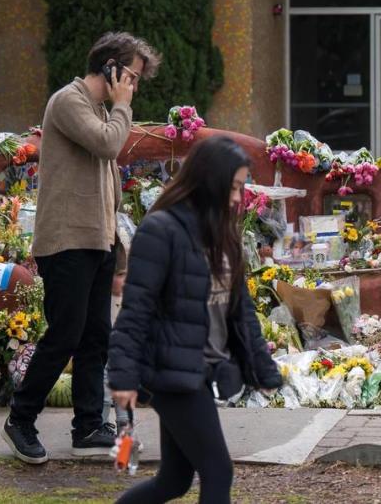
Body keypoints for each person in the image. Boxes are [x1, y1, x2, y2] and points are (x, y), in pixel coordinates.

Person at [1, 32, 161, 464]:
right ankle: (20, 419)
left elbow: (106, 182)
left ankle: (89, 425)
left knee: (96, 337)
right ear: (110, 68)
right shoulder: (69, 102)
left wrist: (117, 250)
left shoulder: (100, 110)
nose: (134, 86)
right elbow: (109, 143)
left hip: (96, 241)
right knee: (65, 333)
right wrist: (124, 106)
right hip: (67, 241)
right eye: (131, 76)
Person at [108, 136, 283, 504]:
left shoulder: (222, 233)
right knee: (218, 471)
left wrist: (263, 370)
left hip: (199, 371)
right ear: (211, 181)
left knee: (174, 481)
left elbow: (241, 310)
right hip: (172, 373)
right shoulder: (161, 230)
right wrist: (122, 376)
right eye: (234, 187)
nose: (238, 198)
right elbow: (135, 310)